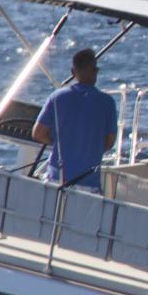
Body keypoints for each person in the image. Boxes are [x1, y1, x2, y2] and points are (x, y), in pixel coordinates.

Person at [31, 46, 119, 191]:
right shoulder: (107, 103)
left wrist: (60, 143)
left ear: (73, 72)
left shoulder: (57, 97)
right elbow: (109, 142)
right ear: (96, 71)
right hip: (89, 184)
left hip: (56, 180)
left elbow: (38, 134)